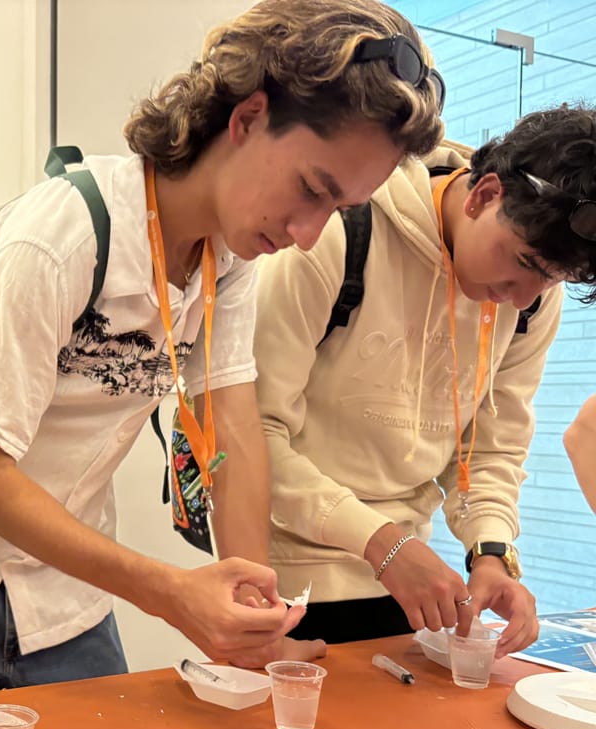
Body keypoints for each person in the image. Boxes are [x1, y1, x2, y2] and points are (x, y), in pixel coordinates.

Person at [0, 0, 444, 708]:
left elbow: (235, 434)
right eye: (312, 189)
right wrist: (170, 593)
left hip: (62, 574)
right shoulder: (64, 237)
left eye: (338, 207)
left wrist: (254, 609)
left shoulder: (229, 256)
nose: (309, 232)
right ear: (249, 118)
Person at [255, 103, 596, 659]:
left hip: (414, 580)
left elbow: (492, 449)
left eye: (551, 280)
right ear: (485, 195)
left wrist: (491, 551)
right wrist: (382, 543)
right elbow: (249, 435)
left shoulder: (532, 302)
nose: (523, 296)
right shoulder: (340, 235)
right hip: (289, 574)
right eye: (524, 262)